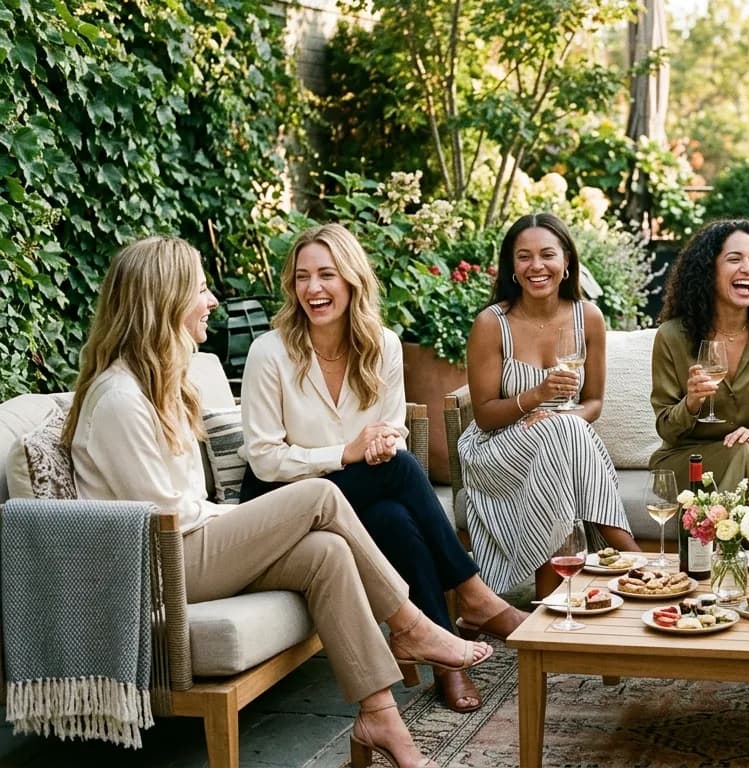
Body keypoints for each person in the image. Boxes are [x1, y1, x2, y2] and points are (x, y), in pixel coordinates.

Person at [64, 236, 492, 768]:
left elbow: (182, 506)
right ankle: (410, 622)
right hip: (157, 566)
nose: (213, 301)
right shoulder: (122, 400)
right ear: (165, 301)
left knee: (326, 554)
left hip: (186, 543)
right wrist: (245, 518)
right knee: (318, 495)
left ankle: (379, 714)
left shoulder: (156, 386)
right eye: (200, 289)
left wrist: (239, 520)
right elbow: (163, 520)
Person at [239, 223, 527, 714]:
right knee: (403, 472)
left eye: (327, 274)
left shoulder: (383, 345)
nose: (313, 289)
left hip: (358, 494)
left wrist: (378, 446)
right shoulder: (270, 352)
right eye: (303, 277)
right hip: (278, 500)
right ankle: (475, 596)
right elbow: (264, 458)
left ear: (351, 280)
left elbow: (389, 428)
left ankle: (446, 662)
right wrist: (347, 453)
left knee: (395, 512)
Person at [457, 212, 637, 598]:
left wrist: (558, 416)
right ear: (512, 267)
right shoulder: (492, 323)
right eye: (524, 257)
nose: (536, 266)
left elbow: (593, 403)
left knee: (563, 428)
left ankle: (548, 600)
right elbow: (485, 416)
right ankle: (627, 551)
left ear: (567, 262)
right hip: (497, 449)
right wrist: (535, 398)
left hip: (560, 444)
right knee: (562, 429)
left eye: (547, 255)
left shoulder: (588, 317)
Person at [650, 218, 749, 493]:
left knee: (747, 454)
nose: (748, 269)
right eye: (734, 259)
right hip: (689, 460)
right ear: (709, 270)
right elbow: (666, 428)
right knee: (748, 460)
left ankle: (726, 537)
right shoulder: (672, 336)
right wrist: (692, 403)